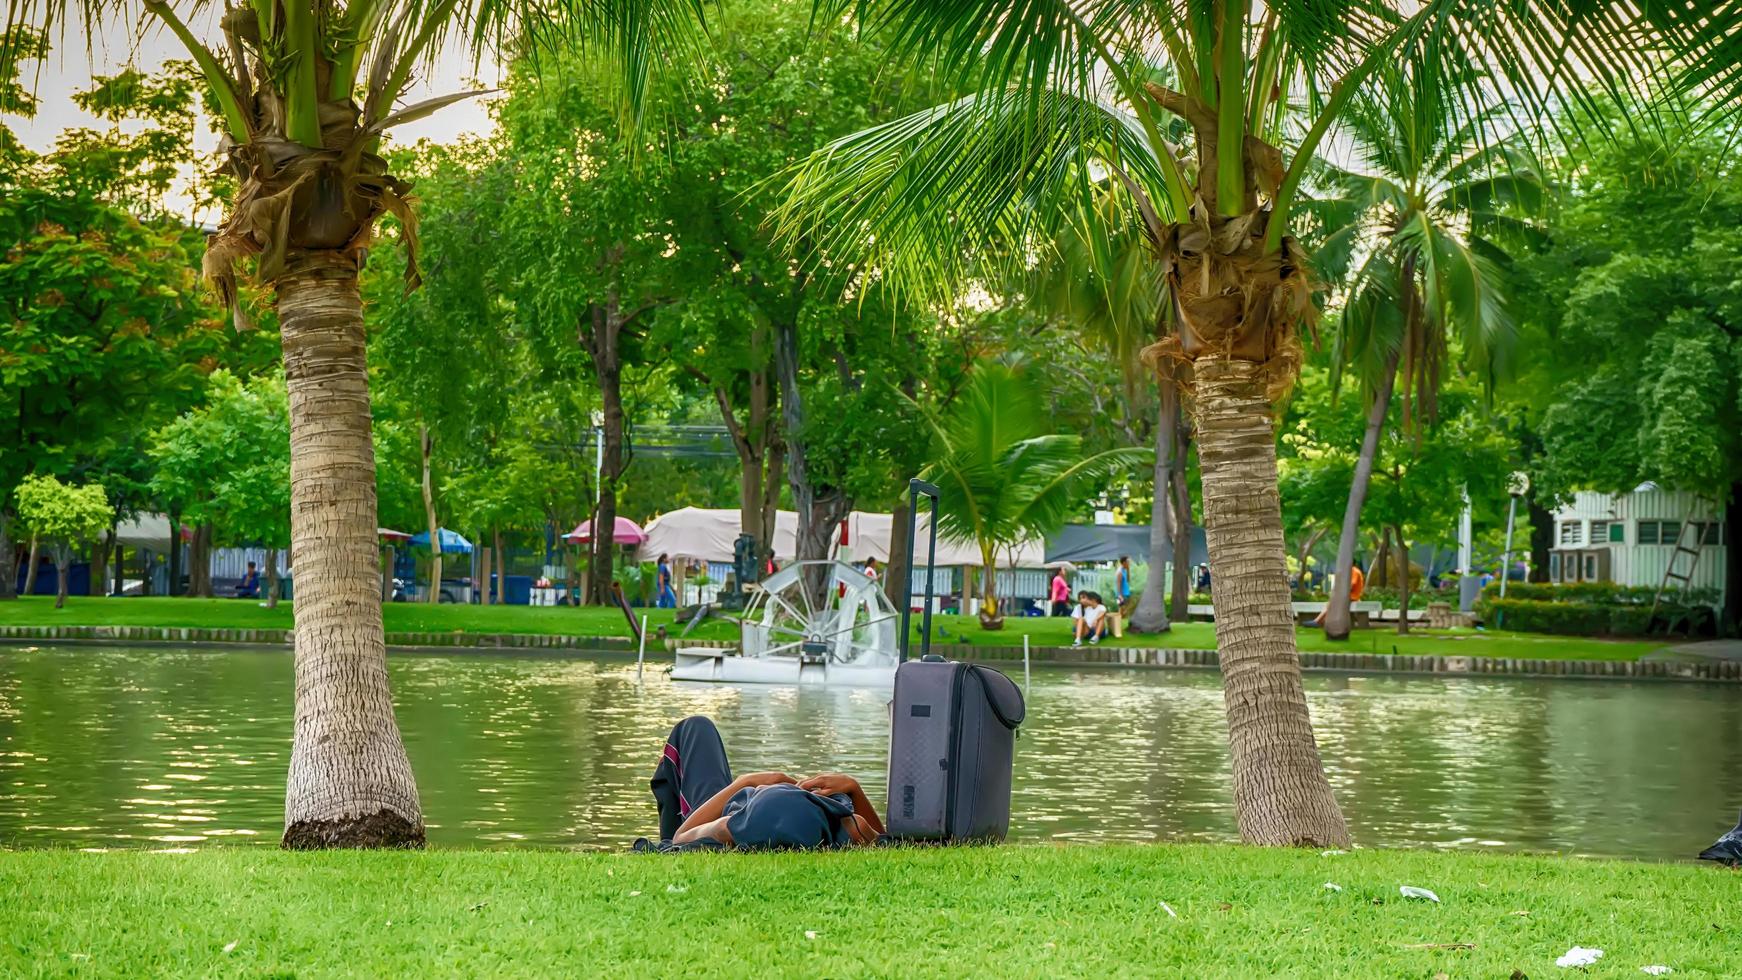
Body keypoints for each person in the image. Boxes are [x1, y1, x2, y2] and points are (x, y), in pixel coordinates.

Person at [644, 716, 884, 850]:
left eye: (755, 792)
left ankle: (669, 772)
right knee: (693, 732)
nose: (757, 788)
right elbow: (892, 845)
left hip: (706, 818)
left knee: (694, 728)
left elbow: (680, 837)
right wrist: (853, 788)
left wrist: (744, 782)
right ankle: (670, 773)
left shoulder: (726, 827)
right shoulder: (850, 826)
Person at [1311, 561, 1365, 626]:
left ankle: (1318, 621)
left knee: (1332, 603)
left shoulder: (1354, 571)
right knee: (1331, 603)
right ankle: (1320, 621)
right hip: (1348, 596)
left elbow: (1351, 585)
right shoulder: (1350, 571)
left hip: (1352, 596)